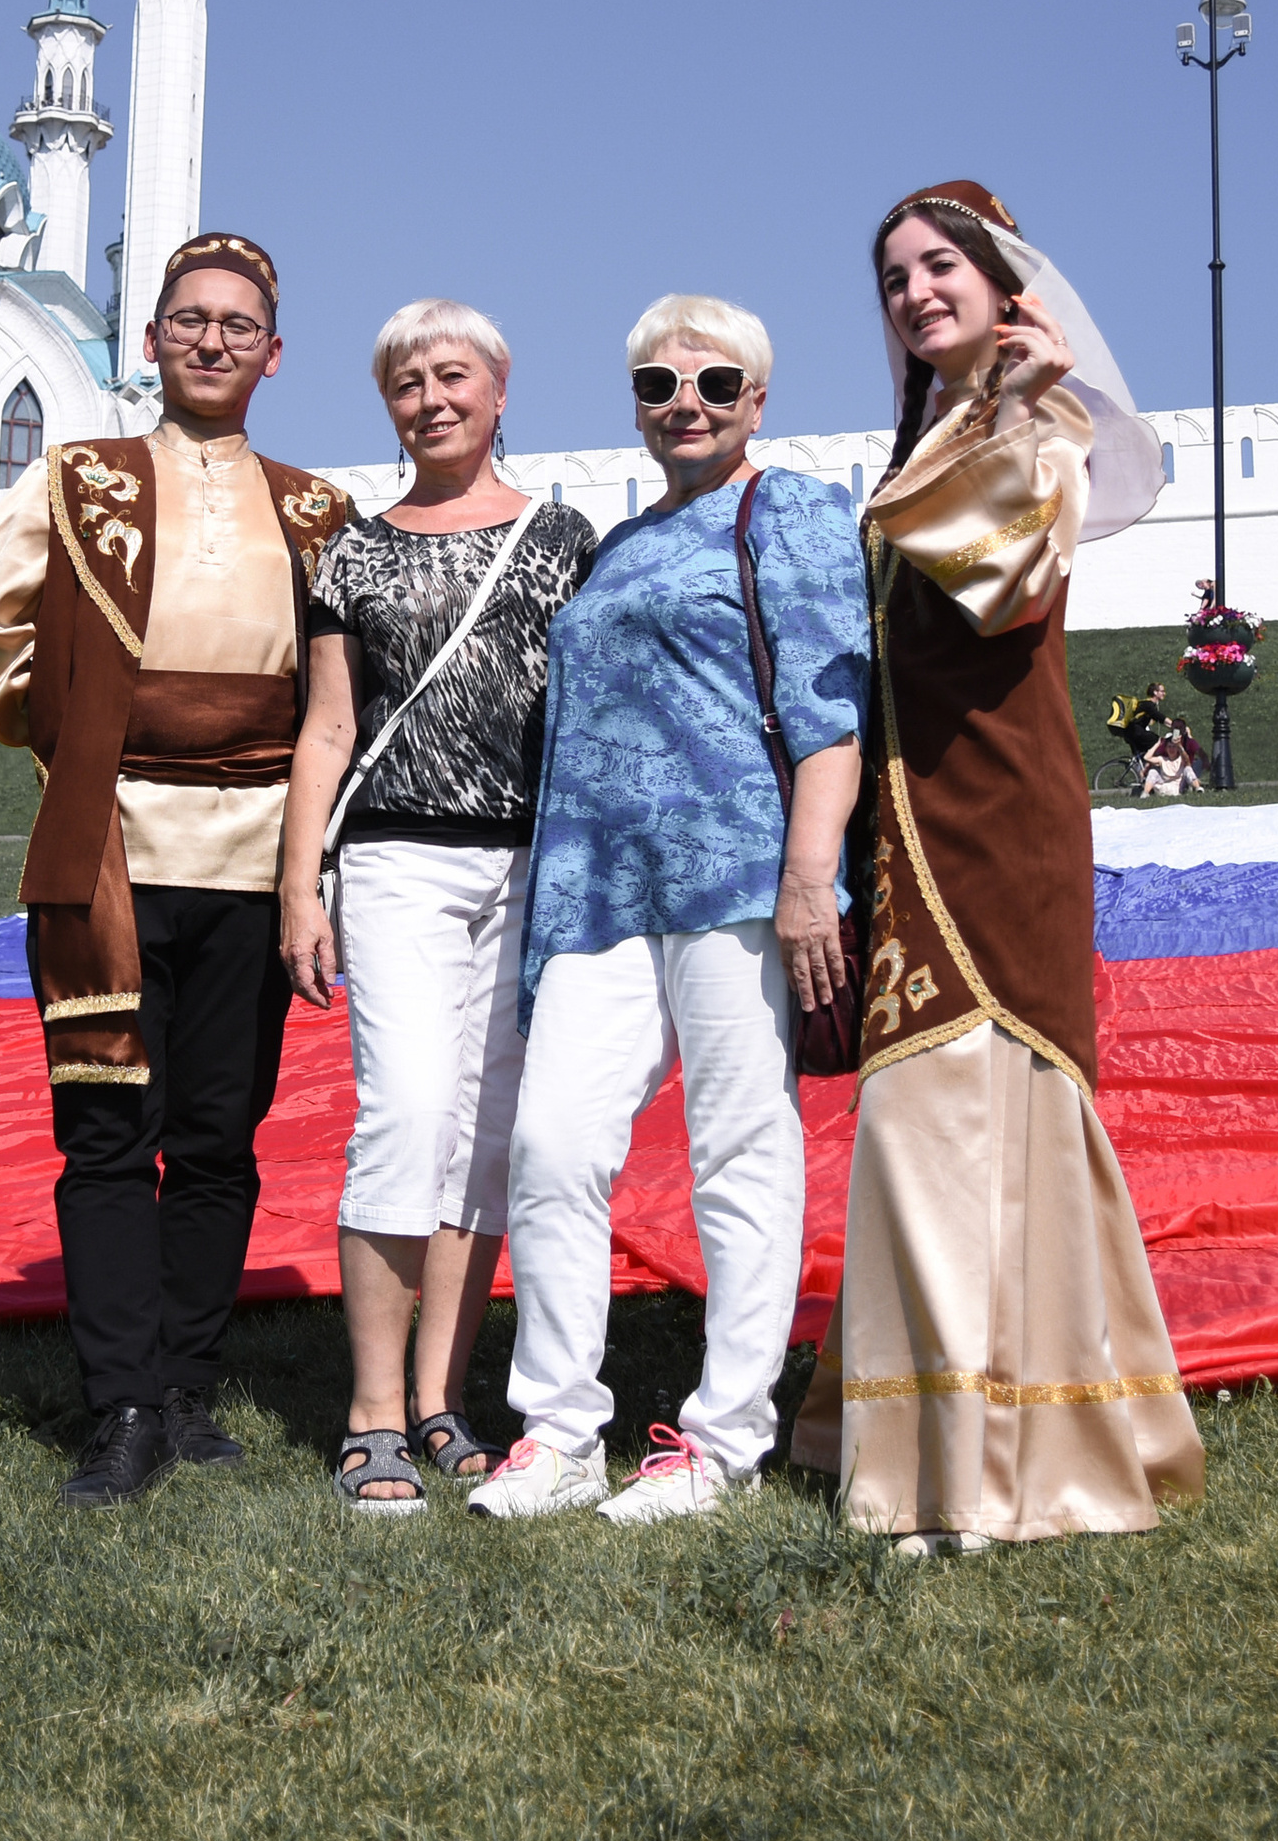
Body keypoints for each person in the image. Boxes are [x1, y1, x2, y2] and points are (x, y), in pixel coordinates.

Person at [791, 180, 1203, 1552]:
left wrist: (1024, 400)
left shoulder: (1043, 426)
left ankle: (981, 1473)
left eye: (939, 267)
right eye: (894, 278)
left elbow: (998, 579)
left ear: (1004, 280)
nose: (914, 293)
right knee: (925, 1129)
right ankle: (940, 1452)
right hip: (914, 821)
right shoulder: (950, 430)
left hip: (999, 818)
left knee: (977, 1121)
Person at [0, 233, 352, 1508]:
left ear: (272, 355)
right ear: (152, 340)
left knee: (220, 1136)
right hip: (109, 851)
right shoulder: (78, 482)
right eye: (188, 320)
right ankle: (117, 1402)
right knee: (109, 1131)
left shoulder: (318, 510)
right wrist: (74, 735)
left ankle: (182, 1386)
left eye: (237, 323)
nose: (211, 339)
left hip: (255, 858)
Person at [471, 295, 869, 1527]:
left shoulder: (788, 510)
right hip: (598, 890)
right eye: (656, 382)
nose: (682, 402)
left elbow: (829, 712)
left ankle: (723, 1437)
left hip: (739, 881)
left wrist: (812, 880)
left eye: (712, 382)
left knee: (739, 1152)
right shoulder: (617, 546)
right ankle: (558, 1429)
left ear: (758, 398)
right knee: (552, 1145)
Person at [278, 300, 597, 1514]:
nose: (431, 398)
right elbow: (328, 726)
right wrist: (301, 881)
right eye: (406, 382)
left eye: (452, 375)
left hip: (524, 865)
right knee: (405, 1112)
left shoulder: (565, 538)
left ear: (500, 390)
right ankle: (367, 1414)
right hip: (400, 860)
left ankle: (439, 1401)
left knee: (485, 1132)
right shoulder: (351, 554)